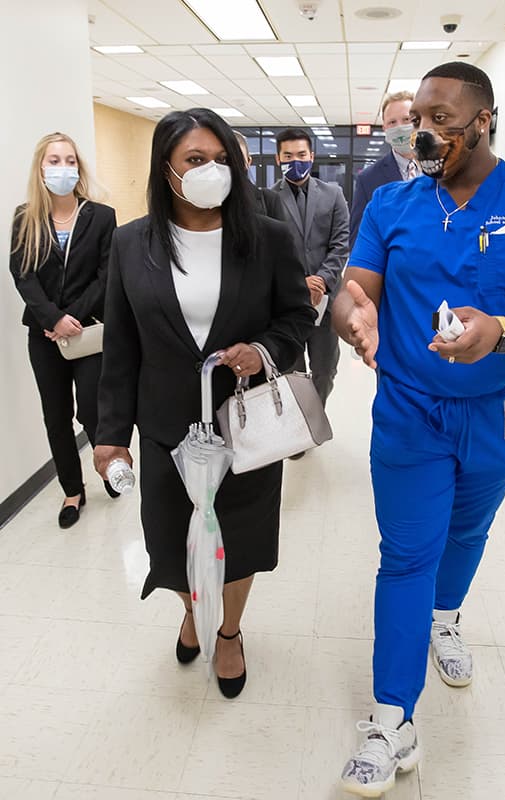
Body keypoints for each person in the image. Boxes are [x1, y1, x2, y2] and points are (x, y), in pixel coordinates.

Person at [332, 62, 505, 796]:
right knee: (406, 556)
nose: (425, 131)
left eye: (443, 118)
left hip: (499, 413)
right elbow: (354, 292)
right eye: (419, 116)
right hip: (411, 412)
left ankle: (446, 620)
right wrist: (352, 314)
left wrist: (503, 332)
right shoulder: (392, 204)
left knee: (467, 536)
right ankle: (391, 719)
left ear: (484, 120)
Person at [93, 108, 315, 699]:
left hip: (244, 424)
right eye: (195, 160)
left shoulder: (267, 237)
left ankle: (230, 631)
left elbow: (297, 317)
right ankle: (192, 610)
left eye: (220, 159)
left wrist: (264, 350)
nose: (211, 170)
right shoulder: (131, 242)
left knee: (238, 538)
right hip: (166, 426)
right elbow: (120, 344)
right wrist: (110, 434)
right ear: (166, 168)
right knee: (172, 538)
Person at [9, 132, 117, 529]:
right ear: (41, 169)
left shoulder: (101, 216)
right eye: (54, 161)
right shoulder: (26, 217)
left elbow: (106, 276)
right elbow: (22, 274)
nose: (63, 168)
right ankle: (73, 491)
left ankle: (106, 466)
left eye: (69, 160)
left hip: (88, 332)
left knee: (92, 409)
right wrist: (52, 319)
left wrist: (70, 317)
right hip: (45, 335)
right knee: (56, 416)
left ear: (79, 167)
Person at [271, 128, 349, 417]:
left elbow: (341, 244)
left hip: (327, 301)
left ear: (312, 157)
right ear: (279, 158)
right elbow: (269, 251)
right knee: (292, 371)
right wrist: (298, 283)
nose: (296, 161)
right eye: (288, 156)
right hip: (288, 303)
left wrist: (321, 280)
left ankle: (313, 416)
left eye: (301, 155)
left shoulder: (333, 194)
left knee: (325, 369)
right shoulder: (269, 200)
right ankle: (297, 424)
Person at [350, 91, 420, 248]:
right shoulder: (368, 179)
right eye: (392, 122)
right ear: (384, 128)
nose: (400, 127)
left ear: (418, 121)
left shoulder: (440, 171)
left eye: (407, 119)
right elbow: (358, 240)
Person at [232, 130, 287, 221]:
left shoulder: (269, 201)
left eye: (238, 158)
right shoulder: (204, 201)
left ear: (248, 162)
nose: (232, 163)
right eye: (224, 158)